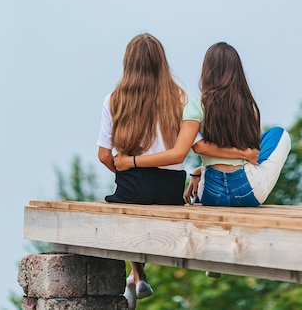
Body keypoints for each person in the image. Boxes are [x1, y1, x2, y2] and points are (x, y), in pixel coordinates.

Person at [98, 34, 257, 309]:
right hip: (171, 187)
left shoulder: (113, 100)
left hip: (133, 185)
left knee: (128, 202)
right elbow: (191, 147)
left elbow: (103, 156)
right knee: (146, 201)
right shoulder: (180, 97)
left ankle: (138, 273)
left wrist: (123, 168)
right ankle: (136, 275)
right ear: (162, 62)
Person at [114, 41, 291, 209]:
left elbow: (197, 146)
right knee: (279, 134)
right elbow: (251, 153)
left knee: (256, 146)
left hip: (210, 193)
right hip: (247, 191)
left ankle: (205, 176)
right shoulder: (249, 106)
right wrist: (244, 153)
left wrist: (200, 169)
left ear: (207, 71)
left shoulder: (197, 105)